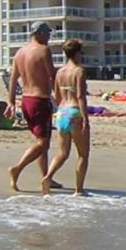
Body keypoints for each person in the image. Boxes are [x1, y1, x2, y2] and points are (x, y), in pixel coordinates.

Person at [8, 22, 56, 192]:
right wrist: (62, 98)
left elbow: (13, 79)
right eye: (48, 33)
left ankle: (46, 177)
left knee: (41, 141)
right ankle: (17, 169)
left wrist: (11, 102)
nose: (50, 37)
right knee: (43, 143)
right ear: (40, 33)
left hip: (26, 101)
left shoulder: (20, 52)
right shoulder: (44, 50)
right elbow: (53, 76)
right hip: (40, 100)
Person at [44, 38, 91, 195]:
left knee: (62, 153)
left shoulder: (60, 72)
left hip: (62, 112)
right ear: (77, 53)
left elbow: (57, 96)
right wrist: (85, 119)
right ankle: (79, 189)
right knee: (83, 155)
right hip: (74, 111)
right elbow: (80, 96)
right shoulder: (79, 71)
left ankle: (47, 177)